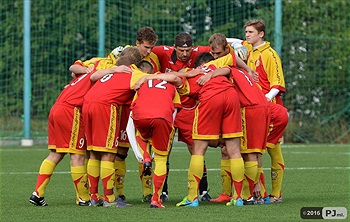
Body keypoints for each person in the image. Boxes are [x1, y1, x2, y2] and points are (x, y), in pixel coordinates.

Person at [28, 56, 115, 207]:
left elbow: (73, 70)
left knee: (56, 154)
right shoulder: (100, 76)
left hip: (56, 108)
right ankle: (83, 199)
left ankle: (38, 194)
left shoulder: (82, 76)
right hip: (71, 111)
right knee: (78, 156)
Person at [83, 47, 158, 207]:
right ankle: (109, 199)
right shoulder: (133, 72)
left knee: (93, 153)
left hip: (87, 104)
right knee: (109, 154)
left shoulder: (111, 71)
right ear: (136, 63)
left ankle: (94, 197)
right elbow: (150, 82)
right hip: (105, 106)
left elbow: (92, 77)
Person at [176, 52, 245, 207]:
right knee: (234, 149)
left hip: (211, 97)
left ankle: (192, 198)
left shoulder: (192, 75)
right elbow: (230, 66)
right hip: (231, 96)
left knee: (198, 149)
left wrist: (183, 74)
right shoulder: (216, 66)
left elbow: (178, 82)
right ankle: (238, 198)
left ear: (197, 66)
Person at [152, 32, 212, 201]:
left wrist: (243, 44)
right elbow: (141, 49)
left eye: (188, 50)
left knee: (196, 148)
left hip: (189, 108)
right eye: (180, 51)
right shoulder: (161, 51)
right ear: (174, 48)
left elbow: (221, 45)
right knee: (164, 150)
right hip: (168, 108)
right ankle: (162, 191)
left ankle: (203, 190)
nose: (185, 54)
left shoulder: (200, 51)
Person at [112, 26, 160, 203]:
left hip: (144, 108)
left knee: (145, 149)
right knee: (121, 151)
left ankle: (148, 192)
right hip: (124, 107)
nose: (148, 51)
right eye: (146, 47)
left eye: (151, 47)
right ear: (137, 43)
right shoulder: (124, 54)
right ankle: (120, 193)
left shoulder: (154, 59)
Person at [241, 19, 286, 203]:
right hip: (253, 110)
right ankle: (262, 193)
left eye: (250, 32)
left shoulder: (270, 54)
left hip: (270, 109)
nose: (247, 35)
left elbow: (278, 84)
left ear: (261, 34)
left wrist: (263, 99)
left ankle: (276, 193)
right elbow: (232, 42)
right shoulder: (247, 48)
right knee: (254, 151)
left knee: (272, 150)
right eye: (246, 32)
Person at [129, 64, 182, 208]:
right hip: (162, 116)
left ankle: (146, 156)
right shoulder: (173, 87)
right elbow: (174, 112)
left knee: (140, 133)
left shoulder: (143, 83)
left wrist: (137, 151)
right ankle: (155, 199)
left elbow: (132, 112)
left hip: (141, 115)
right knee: (161, 158)